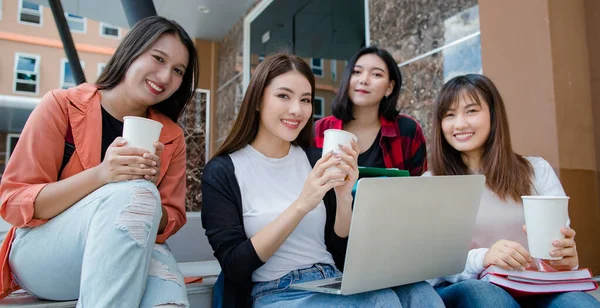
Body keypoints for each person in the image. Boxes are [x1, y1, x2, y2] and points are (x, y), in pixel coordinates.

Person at [201, 53, 444, 308]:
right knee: (380, 302)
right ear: (258, 100)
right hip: (276, 291)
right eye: (284, 96)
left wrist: (343, 197)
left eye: (305, 100)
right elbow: (234, 266)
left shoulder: (315, 159)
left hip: (330, 280)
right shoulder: (223, 171)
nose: (297, 109)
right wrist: (302, 204)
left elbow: (339, 252)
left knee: (421, 295)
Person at [0, 16, 199, 307]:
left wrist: (149, 196)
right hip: (41, 255)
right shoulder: (61, 106)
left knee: (167, 294)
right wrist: (103, 176)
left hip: (128, 248)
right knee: (138, 196)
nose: (166, 76)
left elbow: (172, 218)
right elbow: (14, 201)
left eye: (178, 70)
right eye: (158, 58)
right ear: (132, 50)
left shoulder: (171, 137)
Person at [427, 74, 600, 307]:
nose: (459, 124)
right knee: (488, 297)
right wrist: (483, 258)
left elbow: (558, 243)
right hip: (468, 287)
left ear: (494, 115)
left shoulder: (536, 170)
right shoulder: (431, 182)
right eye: (449, 115)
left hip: (534, 286)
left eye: (471, 111)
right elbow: (429, 265)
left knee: (580, 304)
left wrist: (563, 258)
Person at [314, 46, 427, 176]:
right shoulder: (320, 130)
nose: (363, 80)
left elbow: (419, 187)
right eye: (356, 72)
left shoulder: (407, 130)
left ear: (389, 87)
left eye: (376, 74)